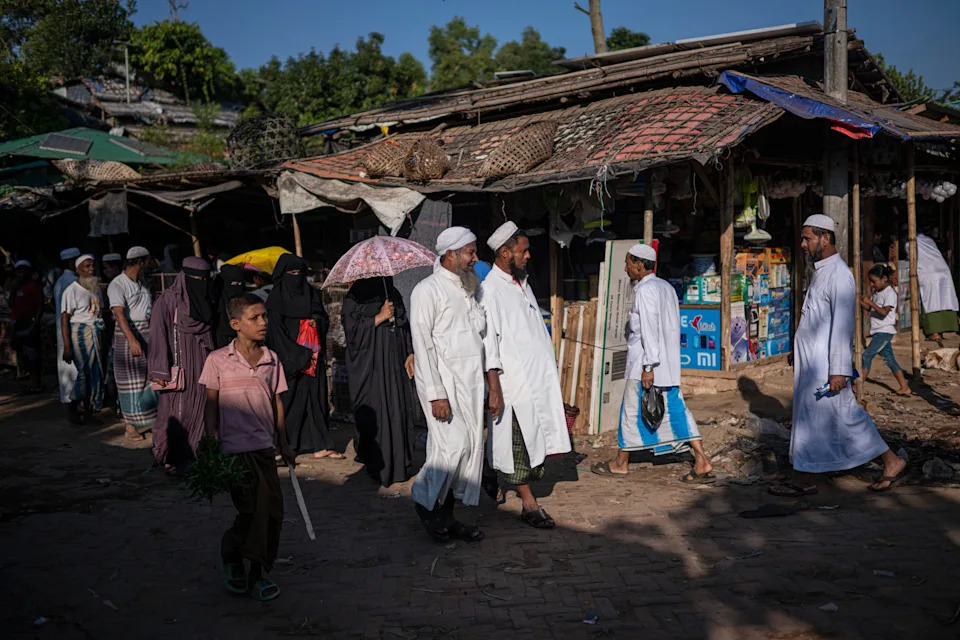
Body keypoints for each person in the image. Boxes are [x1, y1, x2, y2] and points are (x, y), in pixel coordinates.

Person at [771, 215, 906, 496]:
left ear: (826, 238)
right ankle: (806, 475)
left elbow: (843, 326)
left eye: (808, 238)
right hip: (812, 363)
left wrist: (839, 370)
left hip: (827, 366)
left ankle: (889, 461)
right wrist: (798, 349)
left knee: (843, 416)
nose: (803, 244)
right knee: (816, 417)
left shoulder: (840, 275)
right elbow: (814, 318)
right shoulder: (821, 271)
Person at [592, 243, 715, 482]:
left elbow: (649, 330)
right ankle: (701, 459)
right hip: (666, 365)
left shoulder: (645, 291)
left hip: (645, 366)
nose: (625, 268)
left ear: (639, 264)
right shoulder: (665, 287)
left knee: (630, 412)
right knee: (678, 412)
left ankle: (620, 463)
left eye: (628, 263)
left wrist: (648, 367)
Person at [200, 294, 295, 602]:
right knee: (252, 510)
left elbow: (277, 402)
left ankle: (254, 569)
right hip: (233, 451)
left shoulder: (272, 359)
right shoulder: (217, 360)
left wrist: (284, 443)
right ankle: (235, 557)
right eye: (255, 318)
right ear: (235, 324)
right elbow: (211, 404)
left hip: (264, 449)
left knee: (272, 513)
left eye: (265, 316)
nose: (263, 322)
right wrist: (210, 440)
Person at [481, 222, 571, 528]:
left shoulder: (522, 283)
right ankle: (529, 504)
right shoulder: (489, 290)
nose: (528, 256)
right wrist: (494, 387)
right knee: (518, 445)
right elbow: (488, 344)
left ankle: (489, 470)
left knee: (530, 442)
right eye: (523, 251)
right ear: (505, 253)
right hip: (515, 384)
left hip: (537, 380)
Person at [409, 226, 486, 543]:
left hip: (471, 383)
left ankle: (447, 516)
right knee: (451, 447)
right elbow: (422, 345)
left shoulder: (470, 288)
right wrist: (436, 394)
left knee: (467, 451)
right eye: (470, 252)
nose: (475, 258)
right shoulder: (427, 290)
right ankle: (422, 498)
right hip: (443, 384)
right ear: (451, 254)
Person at [342, 276, 421, 486]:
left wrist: (410, 352)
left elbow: (404, 325)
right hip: (371, 366)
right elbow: (351, 331)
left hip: (394, 361)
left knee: (398, 408)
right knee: (378, 410)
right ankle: (379, 464)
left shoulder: (391, 292)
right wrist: (378, 318)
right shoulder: (355, 297)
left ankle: (400, 462)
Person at [266, 254, 341, 459]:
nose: (296, 278)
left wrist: (315, 322)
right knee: (289, 400)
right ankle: (284, 445)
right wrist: (295, 355)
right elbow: (275, 331)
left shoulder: (310, 292)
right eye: (292, 274)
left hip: (313, 353)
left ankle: (321, 445)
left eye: (299, 273)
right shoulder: (276, 298)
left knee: (316, 398)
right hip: (289, 357)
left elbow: (322, 315)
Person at [148, 257, 217, 468]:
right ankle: (171, 457)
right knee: (177, 412)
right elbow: (158, 334)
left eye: (204, 278)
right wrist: (159, 371)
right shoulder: (167, 301)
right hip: (179, 369)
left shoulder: (208, 300)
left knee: (205, 409)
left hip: (204, 365)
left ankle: (198, 454)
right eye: (195, 278)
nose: (200, 282)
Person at [108, 246, 158, 441]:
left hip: (146, 333)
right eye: (148, 261)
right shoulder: (117, 284)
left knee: (149, 379)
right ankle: (130, 426)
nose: (150, 264)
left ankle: (150, 420)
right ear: (141, 261)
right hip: (128, 335)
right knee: (130, 383)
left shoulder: (142, 283)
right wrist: (132, 340)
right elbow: (119, 314)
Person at [60, 254, 105, 423]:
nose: (91, 269)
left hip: (96, 332)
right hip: (80, 332)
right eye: (86, 266)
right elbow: (64, 318)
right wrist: (67, 346)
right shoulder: (71, 290)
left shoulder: (95, 288)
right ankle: (74, 405)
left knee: (95, 373)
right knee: (84, 373)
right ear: (78, 269)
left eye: (92, 266)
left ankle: (88, 410)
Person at [858, 264, 911, 397]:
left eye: (874, 281)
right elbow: (870, 309)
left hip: (884, 331)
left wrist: (869, 303)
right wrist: (860, 301)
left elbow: (883, 312)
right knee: (890, 361)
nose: (872, 284)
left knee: (866, 356)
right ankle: (904, 388)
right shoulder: (877, 292)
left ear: (884, 279)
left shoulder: (890, 293)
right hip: (878, 331)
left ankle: (858, 384)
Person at [911, 232, 959, 342]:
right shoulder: (929, 240)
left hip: (928, 273)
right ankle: (942, 331)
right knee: (945, 299)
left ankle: (934, 333)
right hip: (943, 270)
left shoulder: (910, 242)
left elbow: (912, 258)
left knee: (931, 301)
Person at [54, 247, 81, 419]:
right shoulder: (72, 281)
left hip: (62, 327)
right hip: (70, 328)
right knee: (74, 368)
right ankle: (75, 404)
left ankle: (70, 400)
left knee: (66, 368)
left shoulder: (60, 281)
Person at [11, 260, 43, 393]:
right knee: (22, 355)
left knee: (33, 354)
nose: (21, 274)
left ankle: (36, 384)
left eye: (23, 271)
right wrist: (13, 289)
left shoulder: (33, 286)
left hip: (30, 323)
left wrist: (35, 323)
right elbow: (10, 303)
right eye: (19, 271)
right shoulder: (16, 288)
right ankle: (28, 382)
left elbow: (40, 305)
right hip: (18, 324)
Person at [214, 264, 247, 348]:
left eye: (240, 284)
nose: (238, 287)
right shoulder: (216, 303)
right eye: (234, 284)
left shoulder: (246, 301)